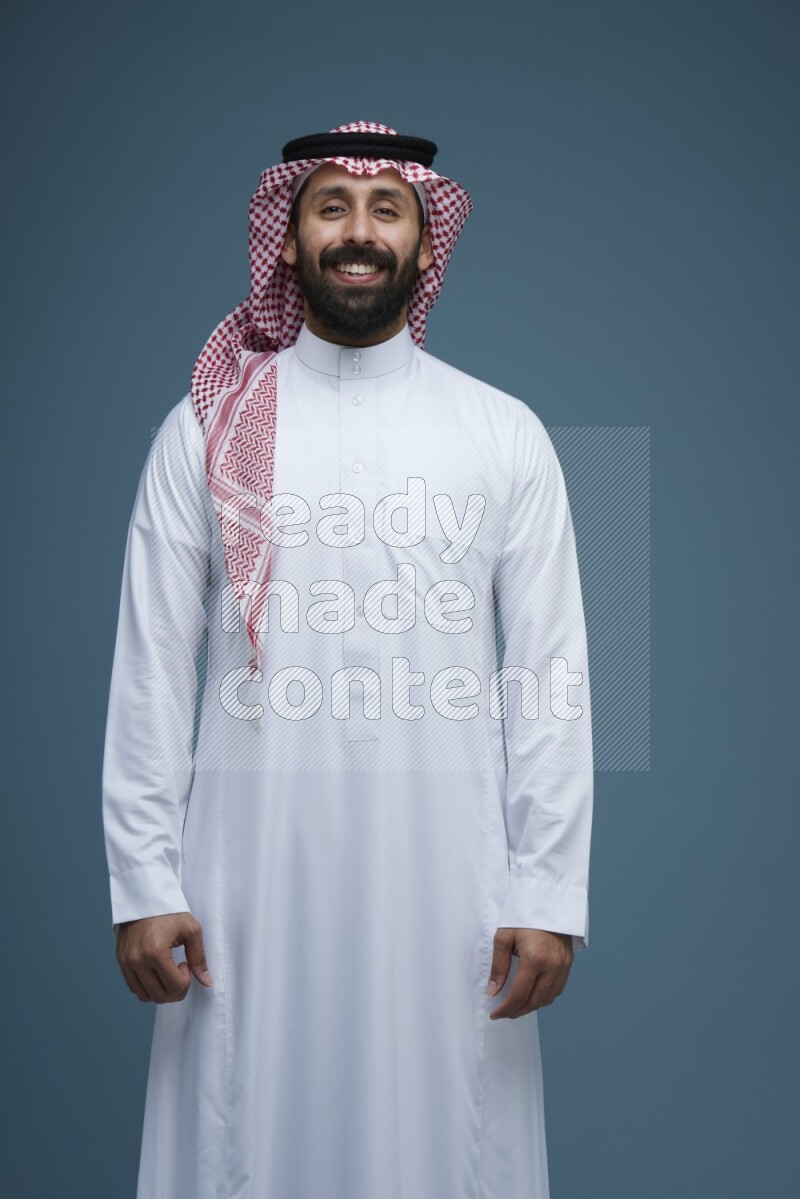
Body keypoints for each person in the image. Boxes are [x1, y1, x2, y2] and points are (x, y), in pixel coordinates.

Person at [102, 120, 594, 1199]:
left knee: (446, 1139)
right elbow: (150, 666)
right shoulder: (205, 428)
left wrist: (549, 890)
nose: (358, 232)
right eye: (331, 207)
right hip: (244, 881)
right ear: (287, 238)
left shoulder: (502, 431)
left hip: (451, 881)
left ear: (425, 239)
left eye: (386, 209)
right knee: (243, 1130)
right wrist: (142, 879)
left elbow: (551, 676)